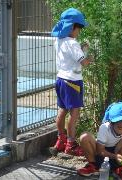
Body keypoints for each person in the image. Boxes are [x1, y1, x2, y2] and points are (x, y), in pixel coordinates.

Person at [49, 8, 92, 156]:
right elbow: (84, 62)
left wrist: (81, 50)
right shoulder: (73, 44)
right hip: (73, 82)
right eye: (78, 29)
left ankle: (60, 140)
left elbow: (69, 56)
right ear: (73, 27)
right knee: (74, 114)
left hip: (61, 80)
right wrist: (90, 57)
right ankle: (71, 145)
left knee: (62, 111)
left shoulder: (59, 40)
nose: (78, 32)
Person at [77, 102, 122, 179]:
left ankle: (120, 169)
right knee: (85, 136)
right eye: (120, 128)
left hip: (118, 159)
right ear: (111, 124)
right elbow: (100, 151)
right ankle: (93, 165)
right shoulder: (105, 128)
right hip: (101, 156)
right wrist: (114, 156)